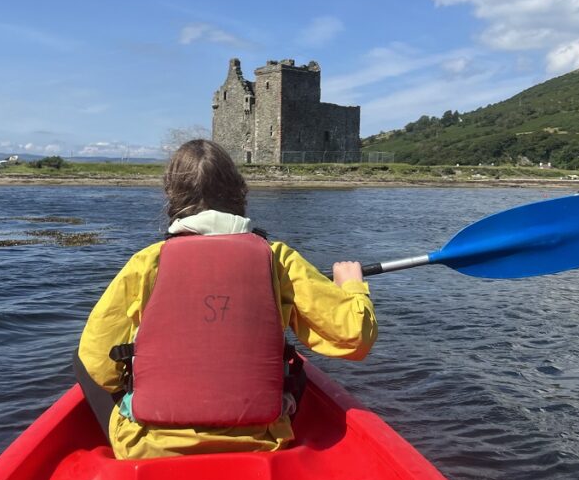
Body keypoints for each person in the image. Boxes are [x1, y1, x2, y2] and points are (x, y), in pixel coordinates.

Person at [76, 139, 377, 459]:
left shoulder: (147, 262)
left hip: (148, 447)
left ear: (172, 196)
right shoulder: (278, 259)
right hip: (262, 438)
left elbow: (99, 366)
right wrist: (351, 286)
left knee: (80, 356)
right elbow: (354, 337)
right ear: (239, 191)